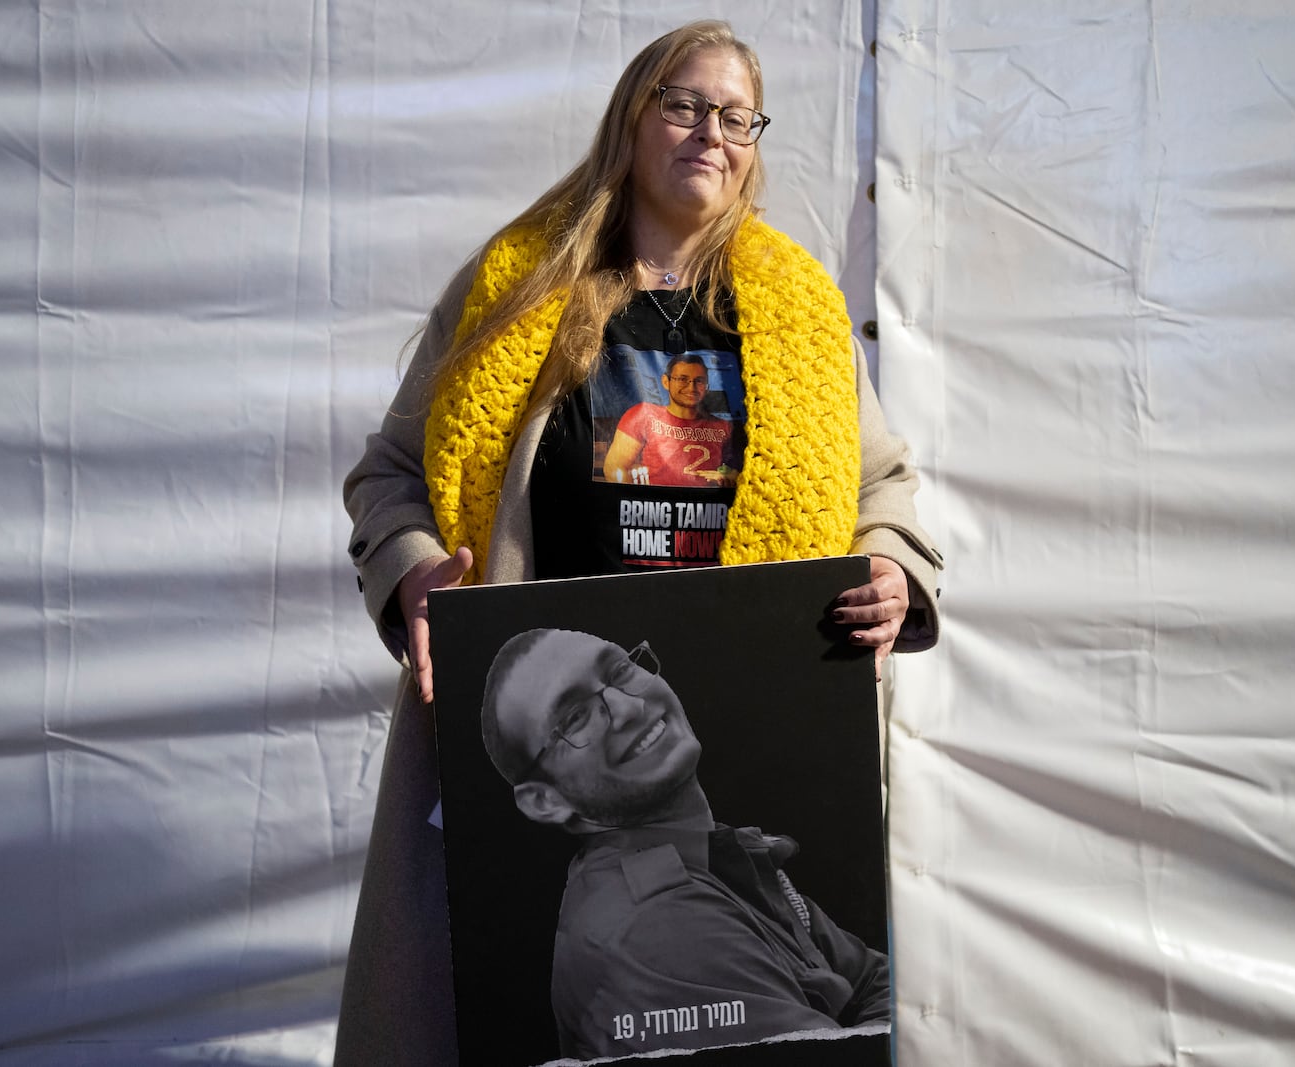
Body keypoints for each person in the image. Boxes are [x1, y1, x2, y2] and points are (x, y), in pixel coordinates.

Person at [337, 19, 942, 1064]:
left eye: (736, 114)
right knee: (494, 1008)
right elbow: (389, 472)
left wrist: (890, 564)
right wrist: (412, 571)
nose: (711, 130)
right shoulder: (517, 284)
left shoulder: (800, 312)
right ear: (632, 119)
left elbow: (879, 487)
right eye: (684, 104)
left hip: (742, 712)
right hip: (546, 730)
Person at [482, 628, 890, 1060]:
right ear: (545, 801)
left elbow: (876, 980)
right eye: (575, 718)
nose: (629, 706)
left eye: (621, 670)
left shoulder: (714, 855)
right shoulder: (654, 927)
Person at [602, 353, 741, 487]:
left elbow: (739, 471)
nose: (691, 387)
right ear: (665, 382)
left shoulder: (724, 426)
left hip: (706, 507)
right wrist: (641, 502)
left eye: (699, 381)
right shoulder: (644, 414)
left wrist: (732, 478)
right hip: (654, 506)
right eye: (682, 379)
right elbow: (614, 467)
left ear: (706, 386)